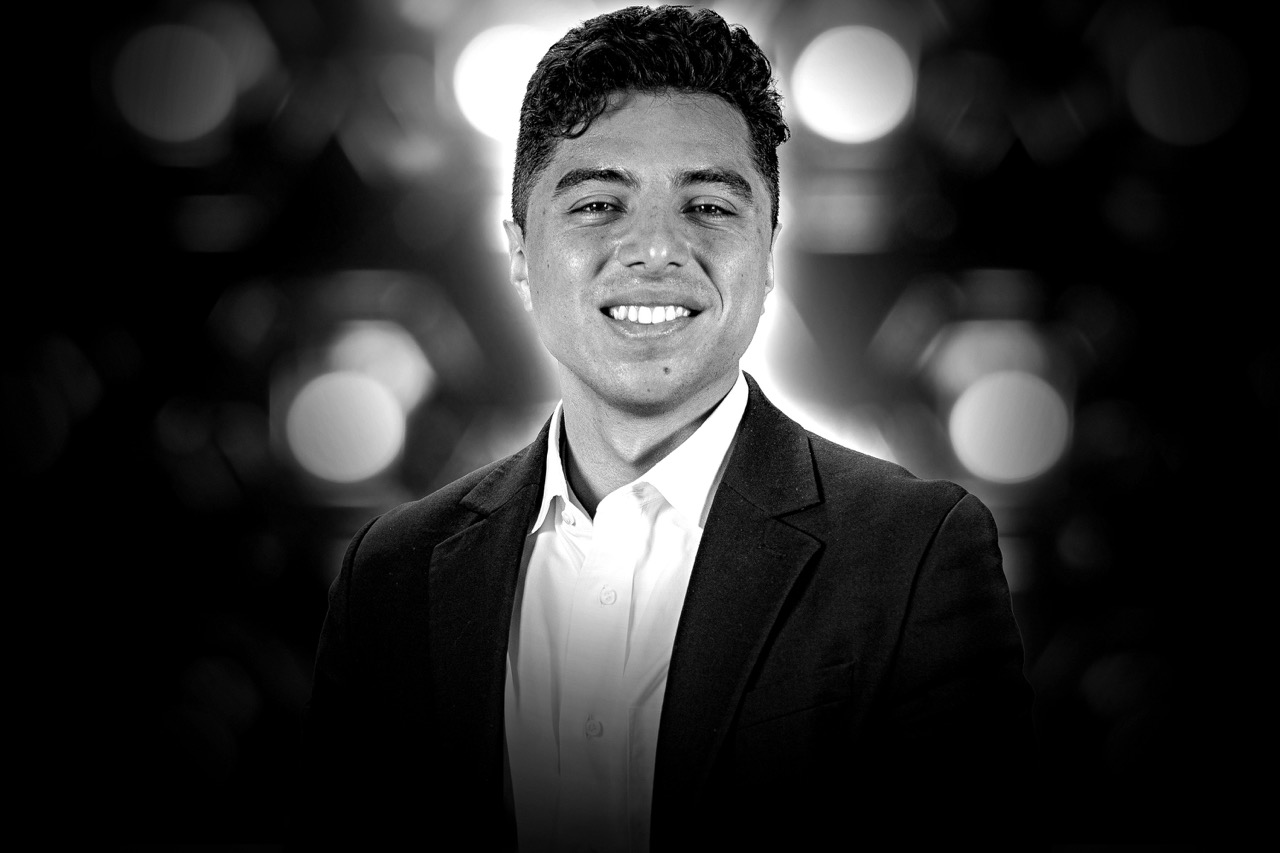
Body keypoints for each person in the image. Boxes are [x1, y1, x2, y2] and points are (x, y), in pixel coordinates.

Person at [297, 5, 1036, 850]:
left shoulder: (917, 553)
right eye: (598, 203)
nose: (655, 248)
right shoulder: (390, 574)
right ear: (519, 254)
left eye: (709, 205)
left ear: (768, 252)